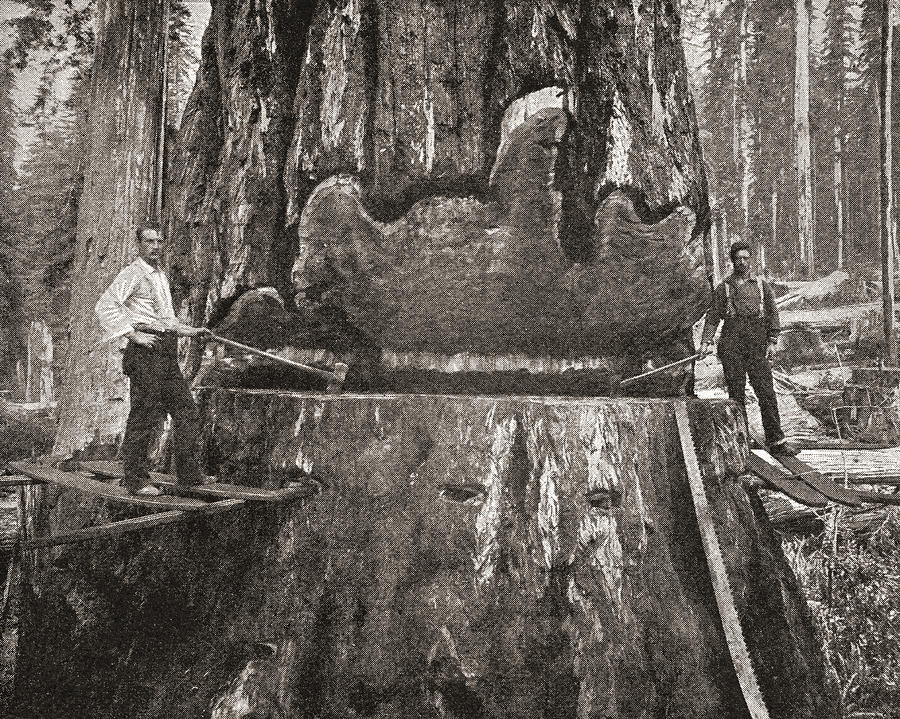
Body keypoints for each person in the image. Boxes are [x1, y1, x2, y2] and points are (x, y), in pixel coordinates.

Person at [95, 223, 209, 495]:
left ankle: (190, 476)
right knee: (145, 415)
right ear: (139, 245)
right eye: (149, 241)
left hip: (165, 351)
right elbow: (105, 306)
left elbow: (166, 321)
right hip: (146, 352)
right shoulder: (132, 273)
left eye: (159, 241)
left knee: (186, 411)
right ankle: (135, 480)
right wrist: (132, 335)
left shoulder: (159, 275)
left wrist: (193, 331)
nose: (155, 247)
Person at [699, 240, 797, 456]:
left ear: (750, 260)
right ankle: (741, 443)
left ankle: (777, 442)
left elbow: (772, 314)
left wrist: (772, 341)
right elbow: (713, 317)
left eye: (746, 258)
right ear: (732, 261)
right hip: (732, 344)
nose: (742, 262)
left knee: (766, 393)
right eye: (738, 258)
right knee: (736, 395)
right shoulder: (724, 287)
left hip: (757, 345)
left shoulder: (762, 285)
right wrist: (706, 341)